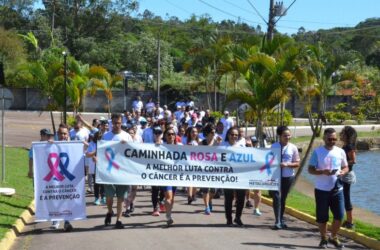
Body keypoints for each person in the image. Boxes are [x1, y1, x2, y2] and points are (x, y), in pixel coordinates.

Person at [308, 128, 349, 249]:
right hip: (321, 190)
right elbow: (310, 169)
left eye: (334, 139)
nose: (332, 141)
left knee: (340, 216)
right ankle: (324, 238)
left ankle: (334, 236)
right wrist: (322, 172)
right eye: (329, 139)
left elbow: (346, 167)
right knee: (322, 217)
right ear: (324, 138)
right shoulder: (318, 152)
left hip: (337, 188)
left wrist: (343, 171)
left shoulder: (340, 151)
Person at [102, 113, 133, 229]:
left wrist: (127, 145)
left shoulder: (127, 136)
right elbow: (101, 151)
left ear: (121, 123)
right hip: (109, 171)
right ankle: (110, 211)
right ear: (111, 123)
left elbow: (133, 152)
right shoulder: (106, 136)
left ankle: (119, 220)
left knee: (120, 197)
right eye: (114, 123)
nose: (116, 125)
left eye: (119, 123)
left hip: (122, 171)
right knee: (109, 197)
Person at [269, 126, 300, 229]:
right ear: (280, 136)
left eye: (288, 135)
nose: (287, 137)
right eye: (285, 135)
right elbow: (267, 160)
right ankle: (277, 220)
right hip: (275, 176)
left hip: (288, 176)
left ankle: (281, 219)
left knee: (283, 199)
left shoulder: (293, 147)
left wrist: (287, 164)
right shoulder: (274, 146)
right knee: (276, 197)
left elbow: (297, 163)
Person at [222, 127, 245, 226]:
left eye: (236, 135)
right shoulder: (223, 146)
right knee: (228, 198)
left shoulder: (241, 146)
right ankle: (229, 219)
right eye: (232, 134)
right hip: (227, 176)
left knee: (241, 198)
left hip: (239, 176)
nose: (234, 136)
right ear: (228, 135)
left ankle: (238, 217)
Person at [162, 127, 181, 226]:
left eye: (173, 134)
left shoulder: (180, 146)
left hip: (176, 177)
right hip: (165, 176)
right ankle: (168, 217)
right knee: (168, 197)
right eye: (169, 134)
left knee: (172, 199)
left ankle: (168, 213)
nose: (171, 136)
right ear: (165, 136)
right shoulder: (161, 146)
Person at [199, 123, 220, 215]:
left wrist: (219, 144)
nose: (213, 134)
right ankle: (206, 206)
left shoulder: (217, 142)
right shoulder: (201, 143)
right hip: (204, 169)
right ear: (207, 133)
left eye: (214, 132)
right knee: (205, 189)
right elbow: (198, 154)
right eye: (212, 132)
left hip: (215, 170)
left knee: (213, 190)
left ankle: (210, 200)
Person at [339, 126, 357, 229]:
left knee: (346, 197)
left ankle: (350, 222)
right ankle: (346, 220)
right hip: (343, 174)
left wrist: (341, 165)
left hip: (347, 175)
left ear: (347, 136)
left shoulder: (349, 147)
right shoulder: (346, 146)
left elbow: (353, 160)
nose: (341, 135)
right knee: (343, 196)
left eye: (343, 133)